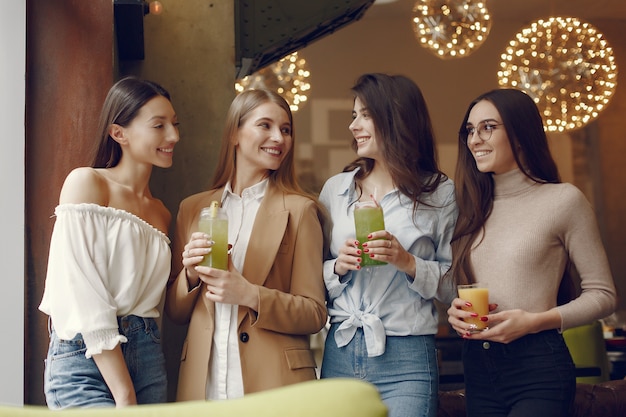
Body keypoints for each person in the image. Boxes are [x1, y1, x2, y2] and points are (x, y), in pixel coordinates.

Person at [446, 88, 617, 417]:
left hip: (538, 367)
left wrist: (536, 322)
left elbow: (604, 294)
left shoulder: (563, 200)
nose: (475, 139)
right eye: (470, 130)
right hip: (478, 369)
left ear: (521, 134)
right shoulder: (469, 209)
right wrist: (453, 311)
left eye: (488, 127)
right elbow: (458, 285)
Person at [165, 88, 327, 401]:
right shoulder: (192, 209)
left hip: (274, 385)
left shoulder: (300, 210)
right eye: (265, 125)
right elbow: (174, 311)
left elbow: (314, 313)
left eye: (286, 130)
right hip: (205, 385)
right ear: (235, 134)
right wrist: (190, 275)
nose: (278, 138)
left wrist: (251, 295)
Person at [319, 73, 458, 417]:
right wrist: (337, 266)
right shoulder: (335, 190)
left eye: (365, 115)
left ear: (395, 117)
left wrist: (407, 261)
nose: (353, 125)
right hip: (341, 348)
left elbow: (456, 286)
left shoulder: (439, 192)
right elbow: (307, 279)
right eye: (354, 115)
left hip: (408, 357)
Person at [39, 76, 180, 408]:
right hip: (83, 356)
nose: (174, 136)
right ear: (119, 133)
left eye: (174, 124)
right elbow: (82, 292)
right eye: (159, 126)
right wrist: (124, 392)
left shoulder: (161, 213)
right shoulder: (86, 183)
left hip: (147, 356)